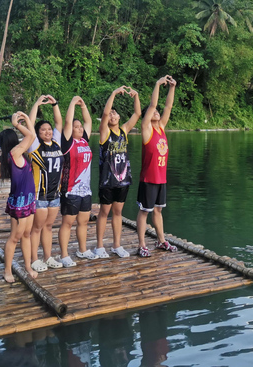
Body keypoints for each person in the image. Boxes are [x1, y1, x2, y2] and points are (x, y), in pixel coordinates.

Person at [95, 85, 142, 259]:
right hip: (108, 180)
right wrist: (113, 93)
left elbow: (137, 114)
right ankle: (100, 246)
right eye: (110, 114)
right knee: (104, 212)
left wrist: (136, 96)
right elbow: (105, 114)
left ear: (120, 117)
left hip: (122, 179)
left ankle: (116, 245)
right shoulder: (104, 132)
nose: (112, 115)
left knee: (117, 213)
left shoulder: (124, 131)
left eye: (116, 113)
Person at [136, 75, 178, 257]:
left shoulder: (161, 127)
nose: (156, 112)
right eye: (153, 112)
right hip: (148, 179)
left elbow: (167, 106)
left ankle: (161, 241)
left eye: (156, 112)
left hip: (161, 178)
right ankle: (142, 244)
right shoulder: (147, 129)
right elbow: (153, 105)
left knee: (158, 210)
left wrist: (171, 88)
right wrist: (157, 85)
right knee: (145, 211)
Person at [0, 111, 38, 283]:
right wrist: (17, 123)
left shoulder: (20, 154)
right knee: (15, 237)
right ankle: (7, 270)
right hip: (20, 203)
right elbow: (30, 135)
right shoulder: (14, 153)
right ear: (13, 141)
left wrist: (28, 119)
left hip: (29, 200)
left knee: (27, 234)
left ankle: (28, 266)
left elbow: (32, 135)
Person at [27, 95, 64, 272]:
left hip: (55, 194)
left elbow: (59, 123)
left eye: (49, 129)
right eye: (43, 130)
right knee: (37, 228)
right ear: (38, 133)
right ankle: (34, 259)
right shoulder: (34, 145)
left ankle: (48, 257)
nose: (48, 132)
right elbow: (30, 124)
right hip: (39, 194)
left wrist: (54, 104)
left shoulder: (56, 143)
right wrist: (36, 104)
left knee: (48, 226)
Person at [57, 96, 95, 267]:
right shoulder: (67, 143)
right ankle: (64, 255)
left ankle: (82, 249)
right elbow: (67, 121)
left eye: (80, 127)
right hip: (71, 189)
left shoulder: (85, 141)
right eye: (76, 127)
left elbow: (88, 120)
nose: (80, 128)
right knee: (68, 223)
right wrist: (72, 103)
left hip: (85, 190)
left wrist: (84, 105)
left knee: (84, 221)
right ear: (70, 129)